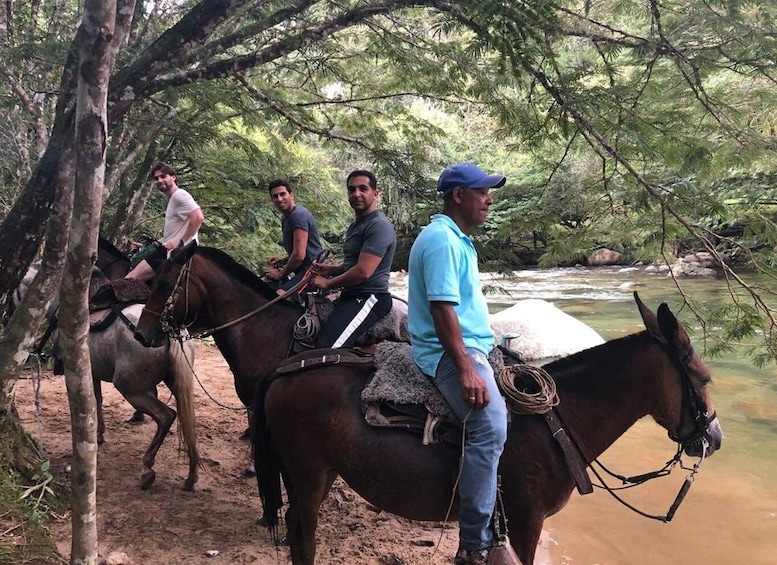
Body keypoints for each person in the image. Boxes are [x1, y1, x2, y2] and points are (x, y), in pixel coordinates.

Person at [407, 163, 509, 565]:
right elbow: (442, 310)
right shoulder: (442, 241)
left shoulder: (457, 239)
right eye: (482, 191)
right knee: (490, 424)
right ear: (458, 196)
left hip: (472, 345)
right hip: (448, 353)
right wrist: (466, 368)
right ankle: (473, 544)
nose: (489, 199)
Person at [311, 170, 396, 349]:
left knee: (327, 347)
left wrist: (328, 283)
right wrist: (329, 270)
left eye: (363, 189)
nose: (356, 194)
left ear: (375, 193)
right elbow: (352, 264)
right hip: (351, 295)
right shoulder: (357, 225)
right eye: (352, 189)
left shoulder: (378, 225)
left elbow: (363, 272)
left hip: (370, 297)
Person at [125, 162, 204, 282]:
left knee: (130, 279)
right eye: (156, 178)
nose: (159, 180)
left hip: (174, 254)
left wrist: (180, 243)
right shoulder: (173, 199)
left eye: (163, 176)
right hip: (169, 250)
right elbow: (173, 234)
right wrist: (146, 246)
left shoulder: (179, 195)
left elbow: (198, 217)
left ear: (173, 177)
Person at [263, 179, 324, 303]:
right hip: (303, 270)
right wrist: (283, 260)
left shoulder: (298, 215)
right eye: (275, 196)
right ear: (272, 200)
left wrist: (281, 274)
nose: (279, 199)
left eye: (282, 194)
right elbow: (301, 250)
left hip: (313, 270)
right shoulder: (287, 218)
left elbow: (299, 255)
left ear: (291, 195)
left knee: (277, 301)